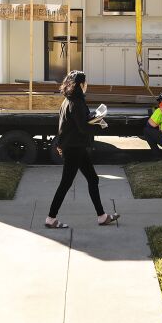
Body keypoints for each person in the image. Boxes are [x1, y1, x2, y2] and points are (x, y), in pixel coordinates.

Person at [45, 71, 119, 228]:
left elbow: (67, 125)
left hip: (74, 146)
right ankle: (51, 218)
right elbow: (83, 128)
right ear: (80, 84)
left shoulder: (68, 101)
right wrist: (98, 122)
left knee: (93, 179)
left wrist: (93, 117)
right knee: (66, 183)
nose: (86, 86)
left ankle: (102, 216)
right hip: (74, 148)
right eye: (85, 83)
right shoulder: (76, 102)